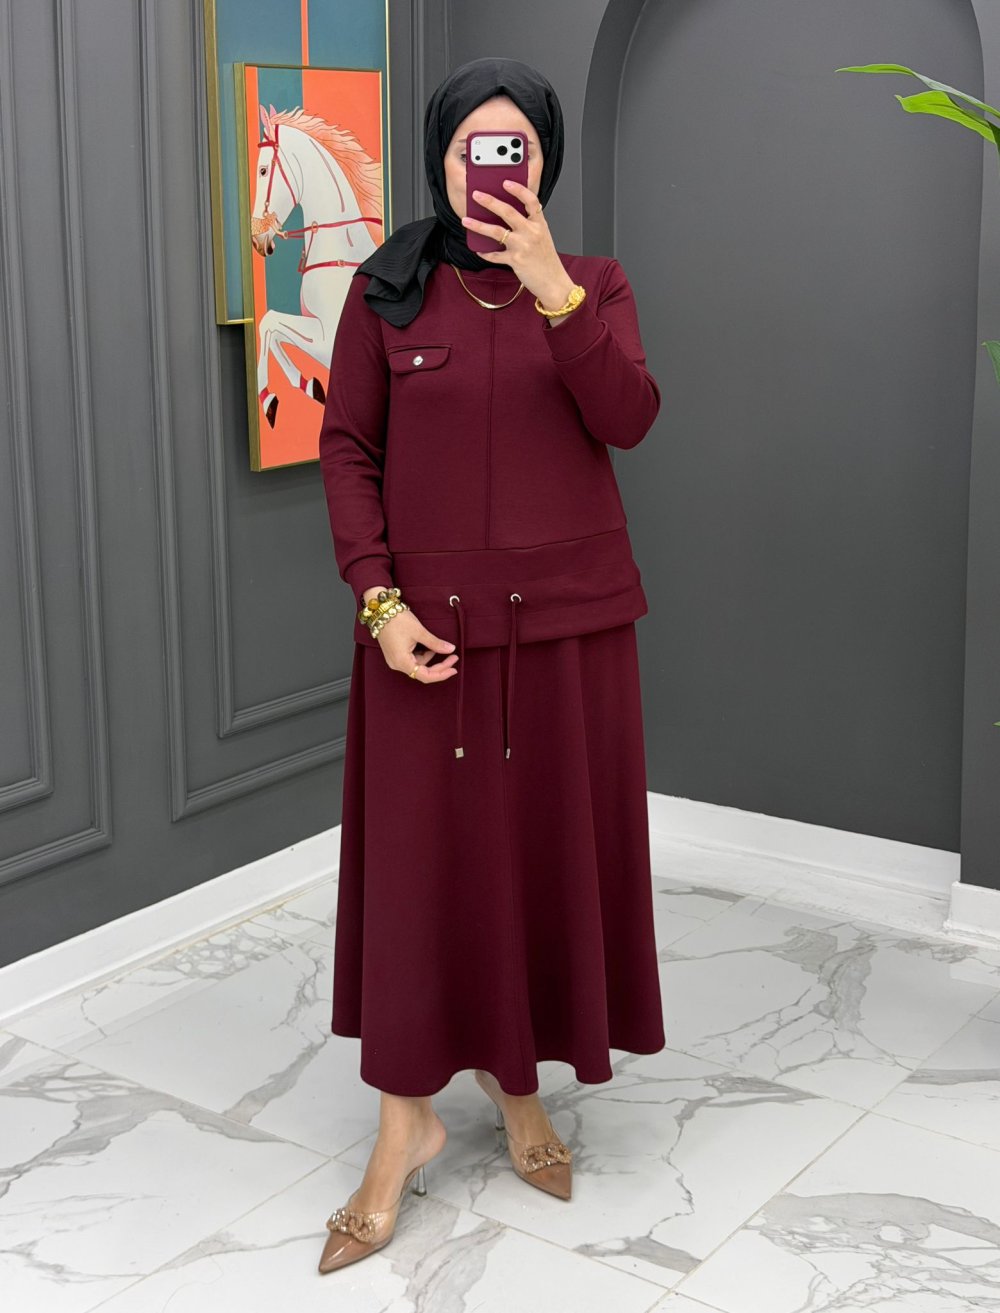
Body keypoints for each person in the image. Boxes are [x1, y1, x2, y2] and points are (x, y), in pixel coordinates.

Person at [316, 56, 666, 1274]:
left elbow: (628, 418)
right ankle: (403, 1122)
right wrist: (377, 602)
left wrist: (556, 293)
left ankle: (520, 1085)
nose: (493, 166)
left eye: (515, 146)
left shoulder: (596, 284)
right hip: (425, 639)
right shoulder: (387, 291)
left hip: (569, 636)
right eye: (474, 146)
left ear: (545, 162)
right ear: (442, 158)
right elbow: (347, 449)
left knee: (535, 861)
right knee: (424, 875)